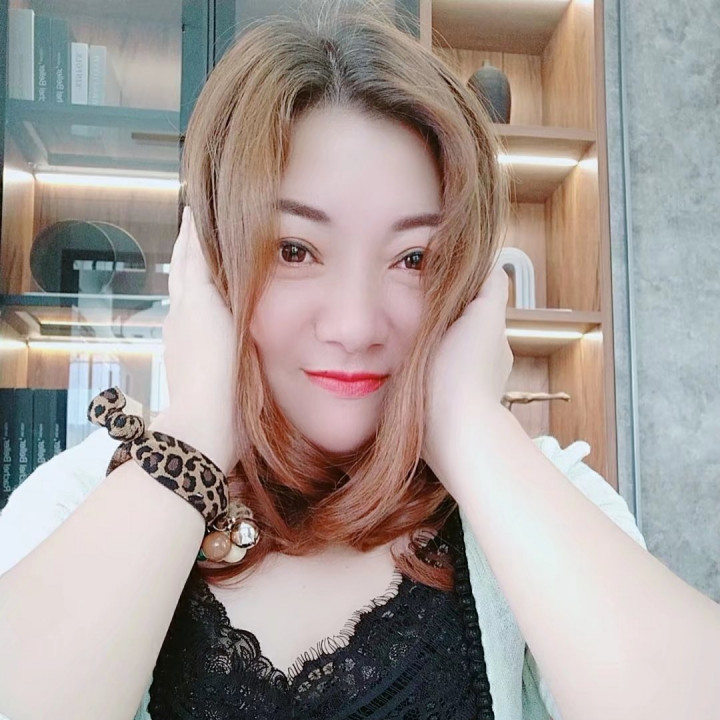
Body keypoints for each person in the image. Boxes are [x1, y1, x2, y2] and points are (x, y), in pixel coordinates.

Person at [1, 2, 719, 719]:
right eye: (294, 250)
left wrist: (467, 427)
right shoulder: (83, 500)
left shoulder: (535, 496)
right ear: (209, 265)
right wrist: (193, 434)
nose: (355, 326)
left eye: (415, 259)